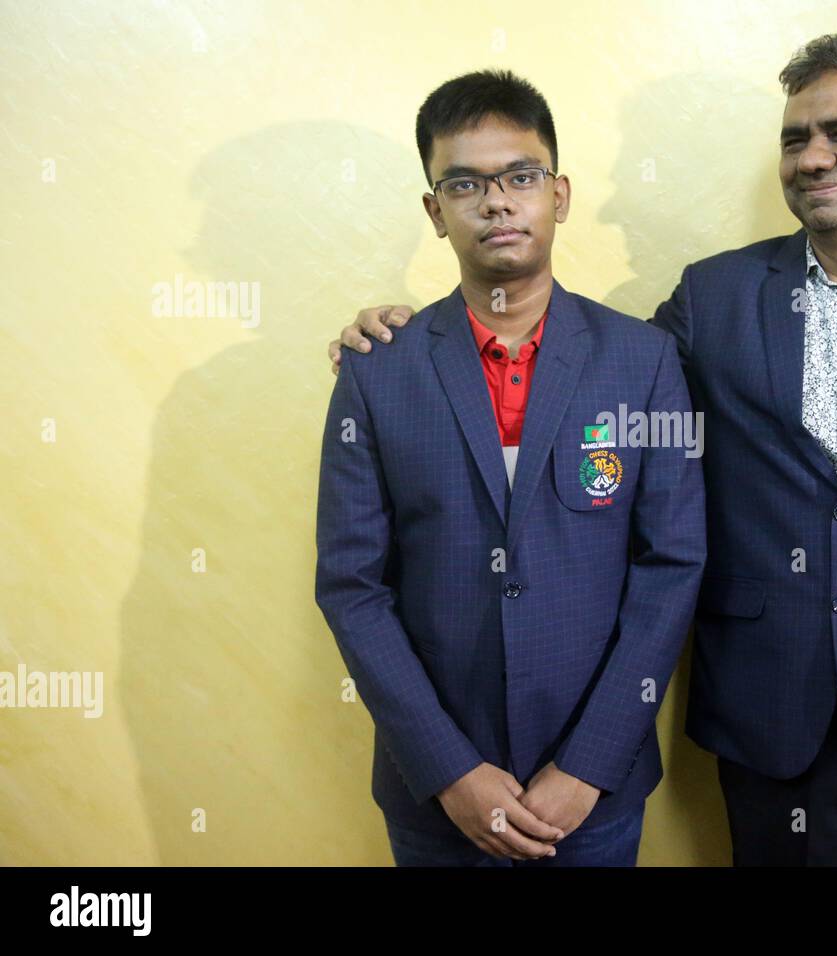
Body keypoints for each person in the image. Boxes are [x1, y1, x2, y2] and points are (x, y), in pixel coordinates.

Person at [330, 34, 837, 866]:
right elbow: (578, 367)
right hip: (784, 730)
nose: (815, 157)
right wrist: (401, 339)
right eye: (795, 139)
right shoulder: (714, 298)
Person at [315, 69, 705, 866]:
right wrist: (450, 770)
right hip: (437, 798)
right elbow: (352, 586)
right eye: (465, 183)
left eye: (520, 177)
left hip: (593, 795)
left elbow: (672, 566)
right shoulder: (378, 371)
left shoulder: (644, 361)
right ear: (435, 211)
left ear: (558, 194)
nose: (497, 201)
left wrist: (588, 765)